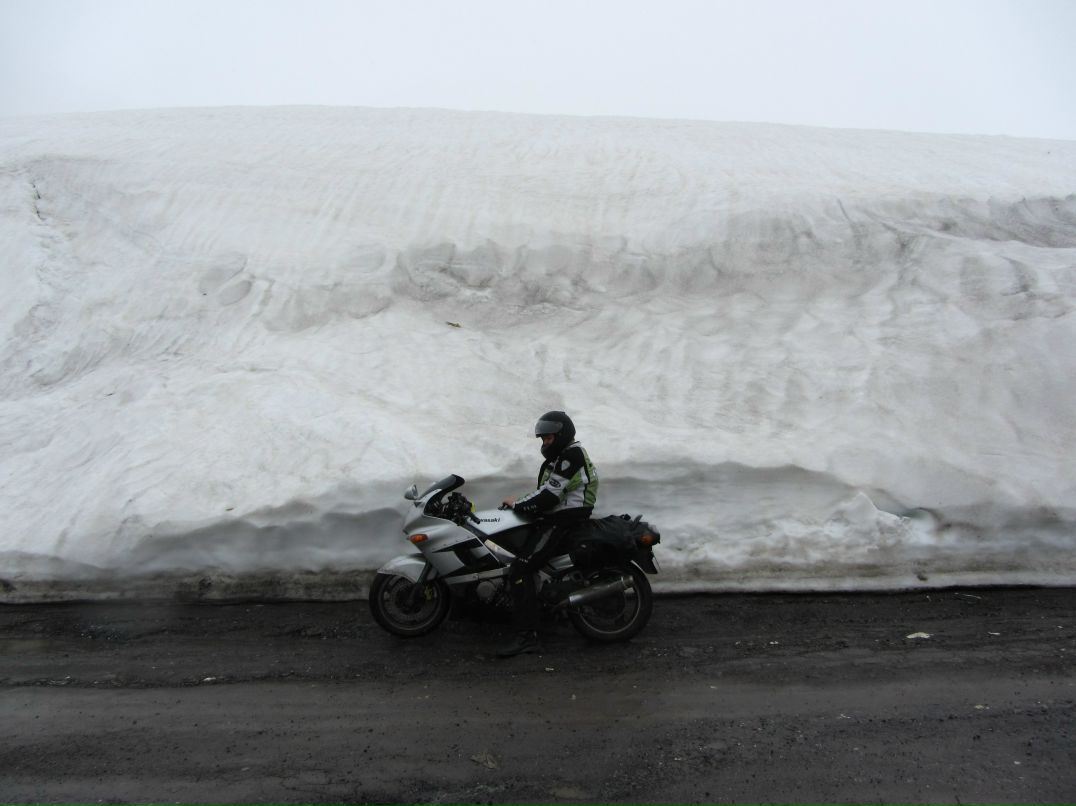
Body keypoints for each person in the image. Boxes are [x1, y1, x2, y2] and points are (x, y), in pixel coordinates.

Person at [496, 411, 599, 657]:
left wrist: (518, 505)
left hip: (563, 521)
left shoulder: (571, 456)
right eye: (543, 440)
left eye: (548, 438)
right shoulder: (566, 456)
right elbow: (546, 491)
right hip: (558, 517)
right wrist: (519, 504)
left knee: (521, 569)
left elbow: (550, 496)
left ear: (562, 435)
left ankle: (527, 637)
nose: (545, 444)